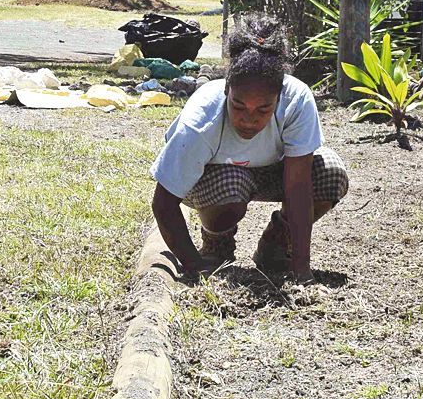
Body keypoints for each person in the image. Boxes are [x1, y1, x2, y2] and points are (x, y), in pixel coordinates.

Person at [149, 18, 350, 277]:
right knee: (233, 182)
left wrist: (302, 269)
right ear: (226, 91)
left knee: (330, 172)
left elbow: (298, 186)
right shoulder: (201, 121)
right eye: (239, 106)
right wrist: (194, 266)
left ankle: (276, 246)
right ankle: (216, 243)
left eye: (263, 109)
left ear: (279, 97)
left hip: (274, 170)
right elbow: (164, 204)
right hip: (214, 180)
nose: (249, 119)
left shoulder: (296, 100)